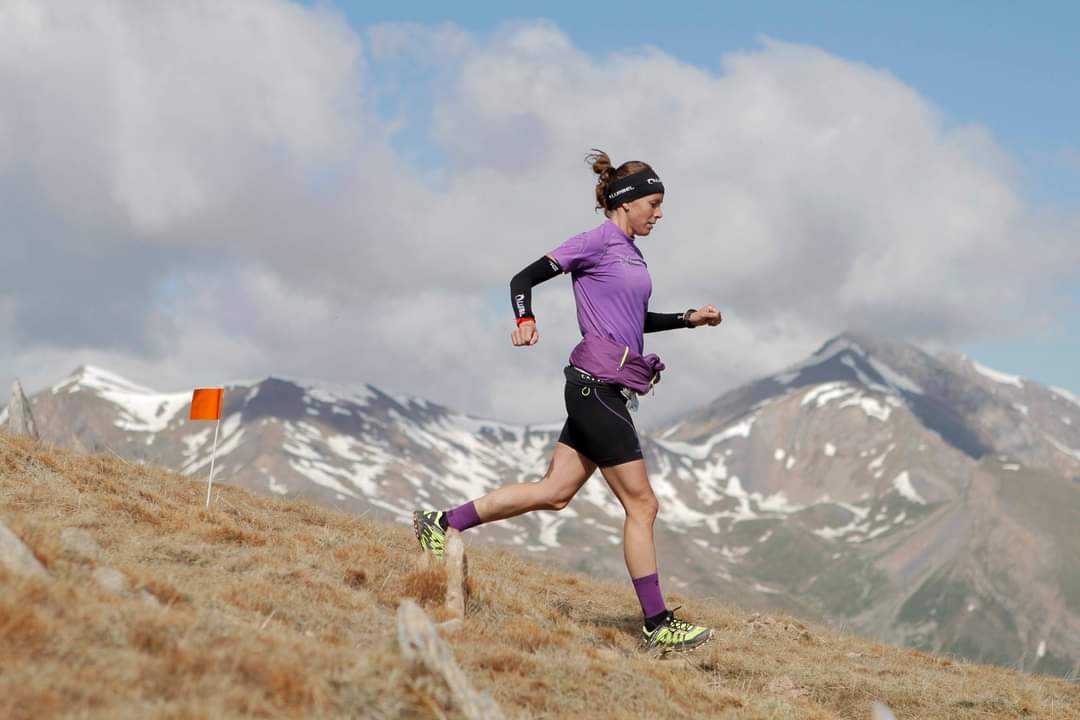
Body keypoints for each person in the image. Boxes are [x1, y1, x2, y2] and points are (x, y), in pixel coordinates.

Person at [413, 150, 723, 652]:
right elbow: (523, 279)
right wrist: (525, 319)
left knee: (555, 491)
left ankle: (443, 522)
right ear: (626, 202)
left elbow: (631, 321)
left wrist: (689, 318)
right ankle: (658, 624)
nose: (660, 214)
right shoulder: (596, 241)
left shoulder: (630, 250)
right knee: (643, 504)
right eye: (654, 203)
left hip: (606, 386)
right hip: (594, 388)